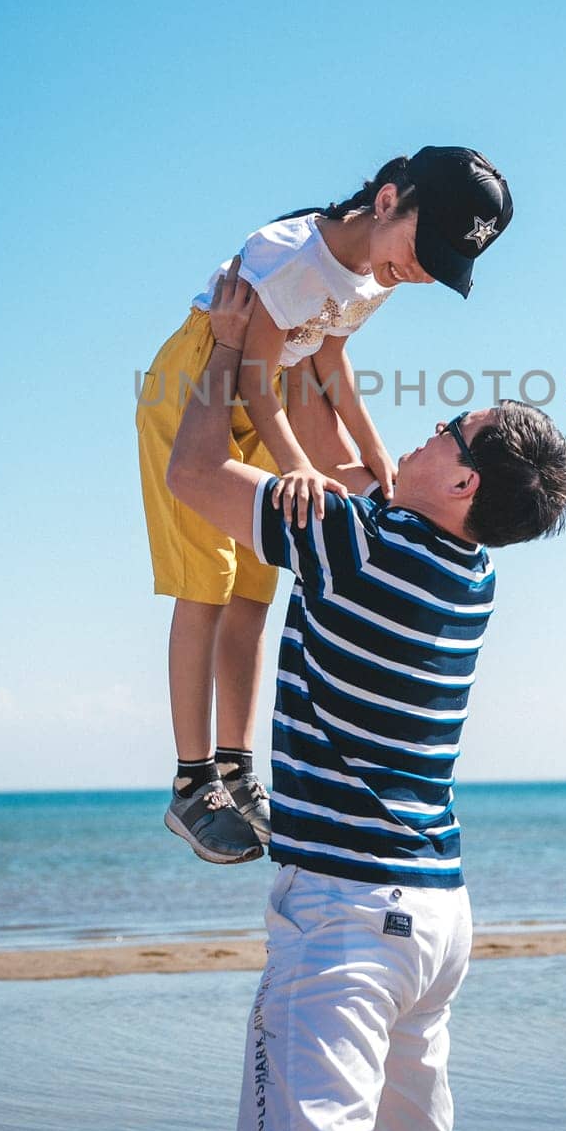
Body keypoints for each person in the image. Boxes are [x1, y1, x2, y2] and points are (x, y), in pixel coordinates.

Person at [166, 260, 566, 1131]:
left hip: (349, 915)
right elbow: (338, 455)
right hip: (434, 915)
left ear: (464, 485)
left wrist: (229, 349)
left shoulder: (354, 540)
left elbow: (192, 473)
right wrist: (321, 335)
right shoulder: (467, 572)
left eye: (444, 432)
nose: (420, 438)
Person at [136, 147, 514, 866]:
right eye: (422, 248)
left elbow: (329, 364)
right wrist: (300, 469)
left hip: (265, 405)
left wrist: (376, 459)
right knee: (204, 587)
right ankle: (192, 784)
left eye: (442, 263)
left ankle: (236, 770)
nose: (423, 271)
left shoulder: (377, 273)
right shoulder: (287, 258)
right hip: (199, 393)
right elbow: (248, 378)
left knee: (254, 591)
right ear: (385, 201)